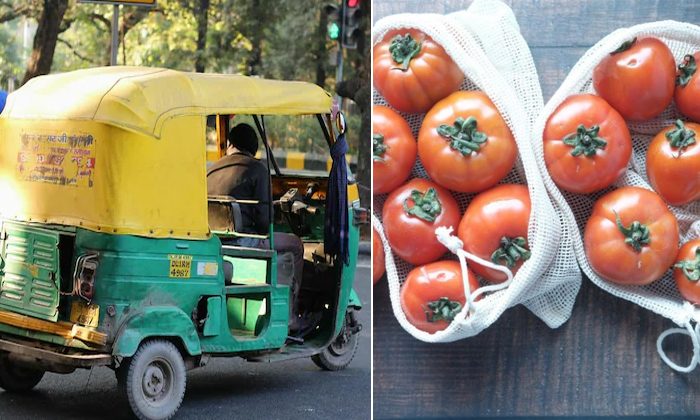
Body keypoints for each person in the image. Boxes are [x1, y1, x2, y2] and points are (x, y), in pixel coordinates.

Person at [207, 123, 304, 328]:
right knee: (295, 244)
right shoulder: (258, 169)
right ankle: (291, 315)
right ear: (253, 149)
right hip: (243, 242)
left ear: (230, 144)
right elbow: (263, 224)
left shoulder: (212, 169)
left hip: (213, 242)